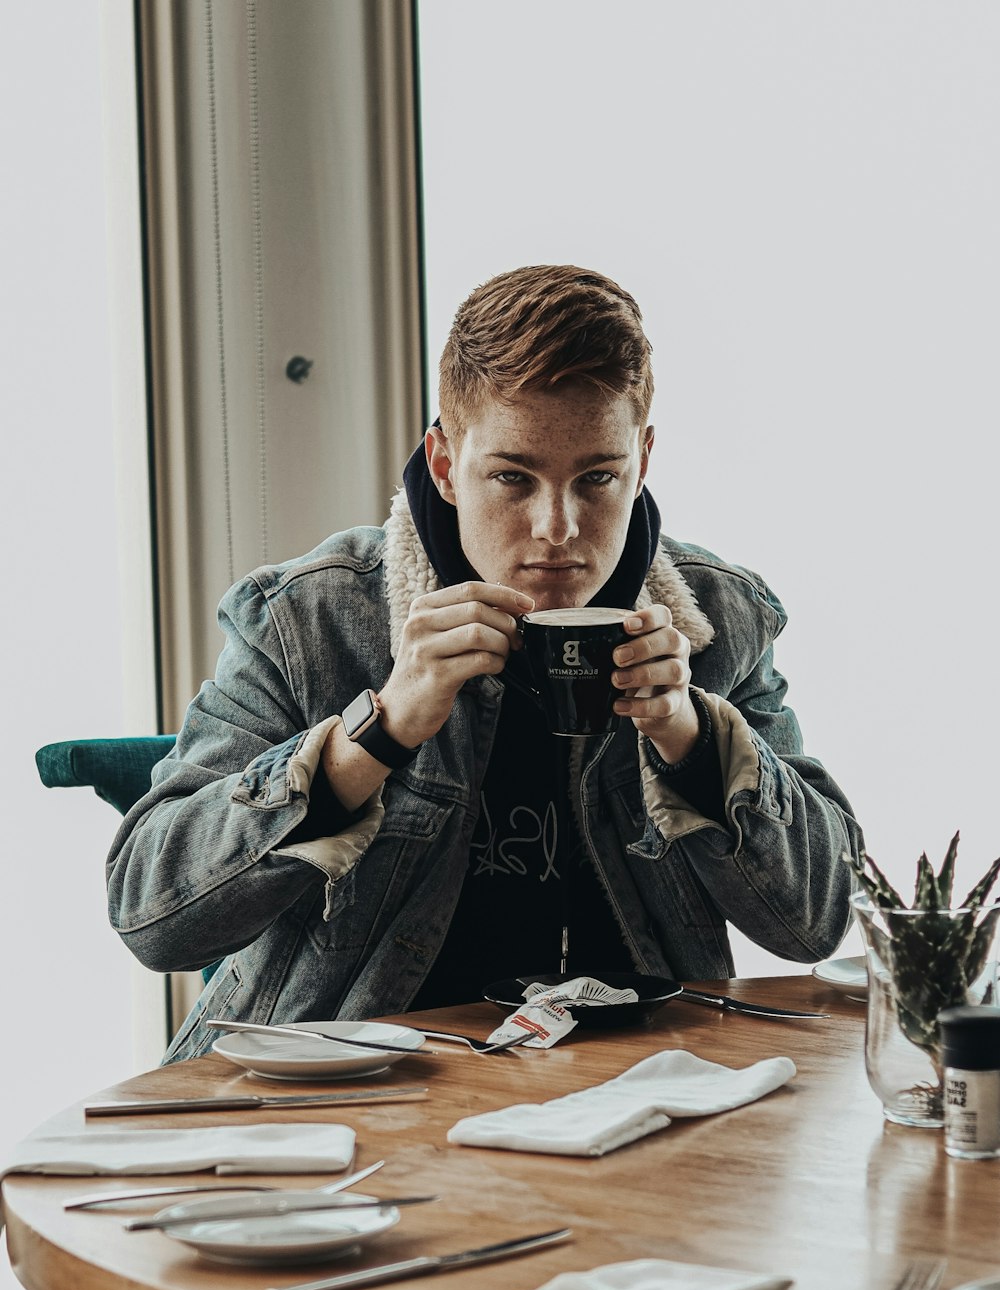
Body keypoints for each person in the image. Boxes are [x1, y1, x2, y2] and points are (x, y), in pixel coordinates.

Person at [108, 263, 862, 1063]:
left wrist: (693, 737)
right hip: (347, 1102)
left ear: (643, 458)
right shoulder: (309, 619)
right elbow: (154, 916)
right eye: (512, 476)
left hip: (640, 1097)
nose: (557, 529)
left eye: (599, 478)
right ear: (444, 464)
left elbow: (814, 921)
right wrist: (379, 732)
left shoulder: (718, 620)